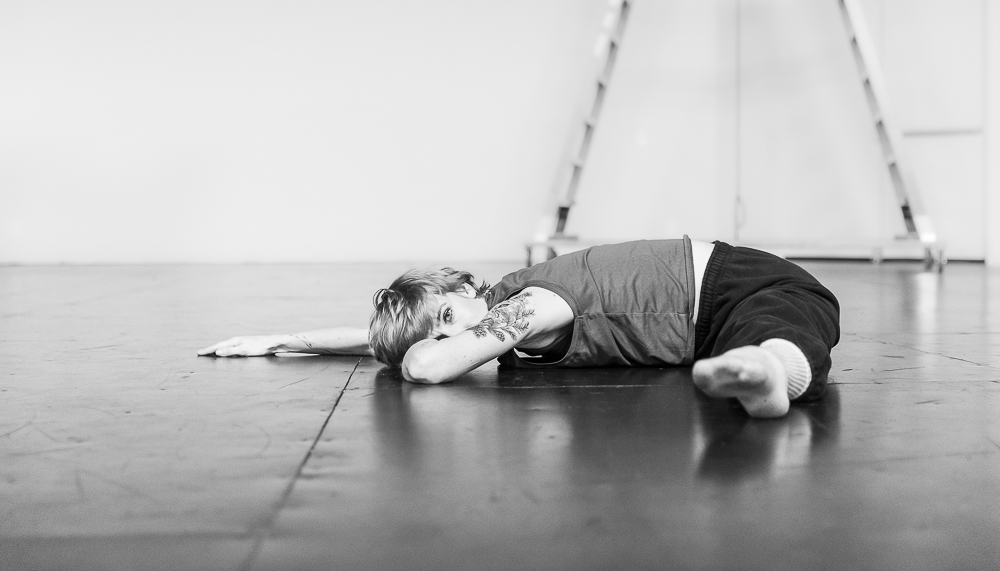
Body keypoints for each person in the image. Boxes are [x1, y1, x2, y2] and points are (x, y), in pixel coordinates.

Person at [199, 237, 840, 418]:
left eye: (446, 318)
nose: (450, 337)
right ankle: (754, 373)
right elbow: (402, 344)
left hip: (742, 284)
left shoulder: (531, 303)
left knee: (778, 327)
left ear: (466, 289)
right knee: (744, 341)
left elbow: (428, 363)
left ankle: (769, 373)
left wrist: (420, 350)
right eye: (437, 332)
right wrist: (284, 340)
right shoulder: (486, 316)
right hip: (705, 335)